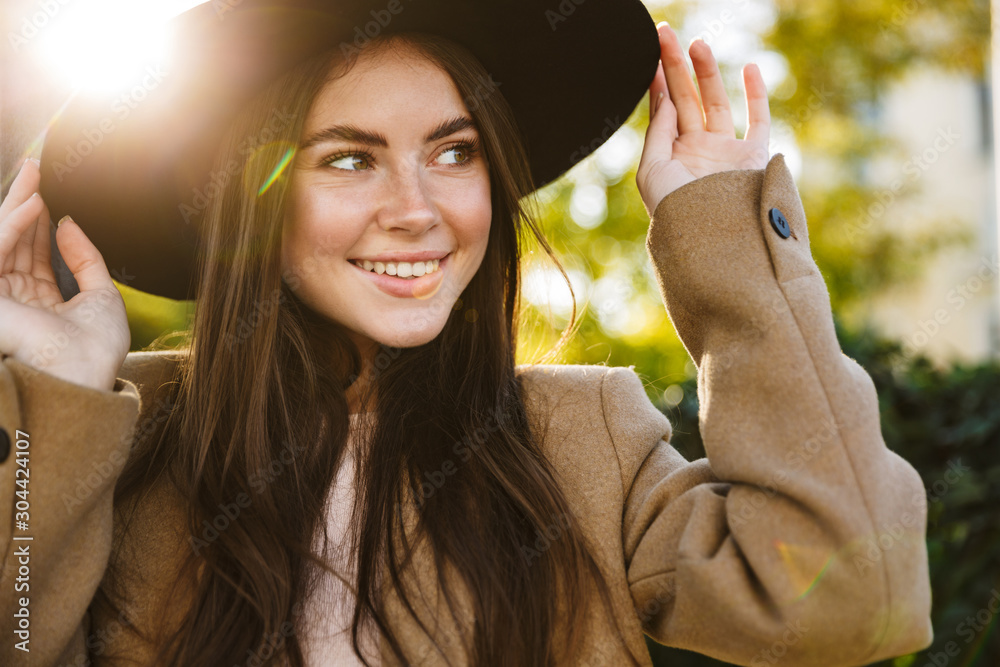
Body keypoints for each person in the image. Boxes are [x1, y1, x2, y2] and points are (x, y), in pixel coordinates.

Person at [0, 1, 933, 665]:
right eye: (350, 158)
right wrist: (56, 405)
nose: (419, 210)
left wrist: (725, 240)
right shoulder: (122, 433)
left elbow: (855, 601)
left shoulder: (584, 437)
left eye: (455, 151)